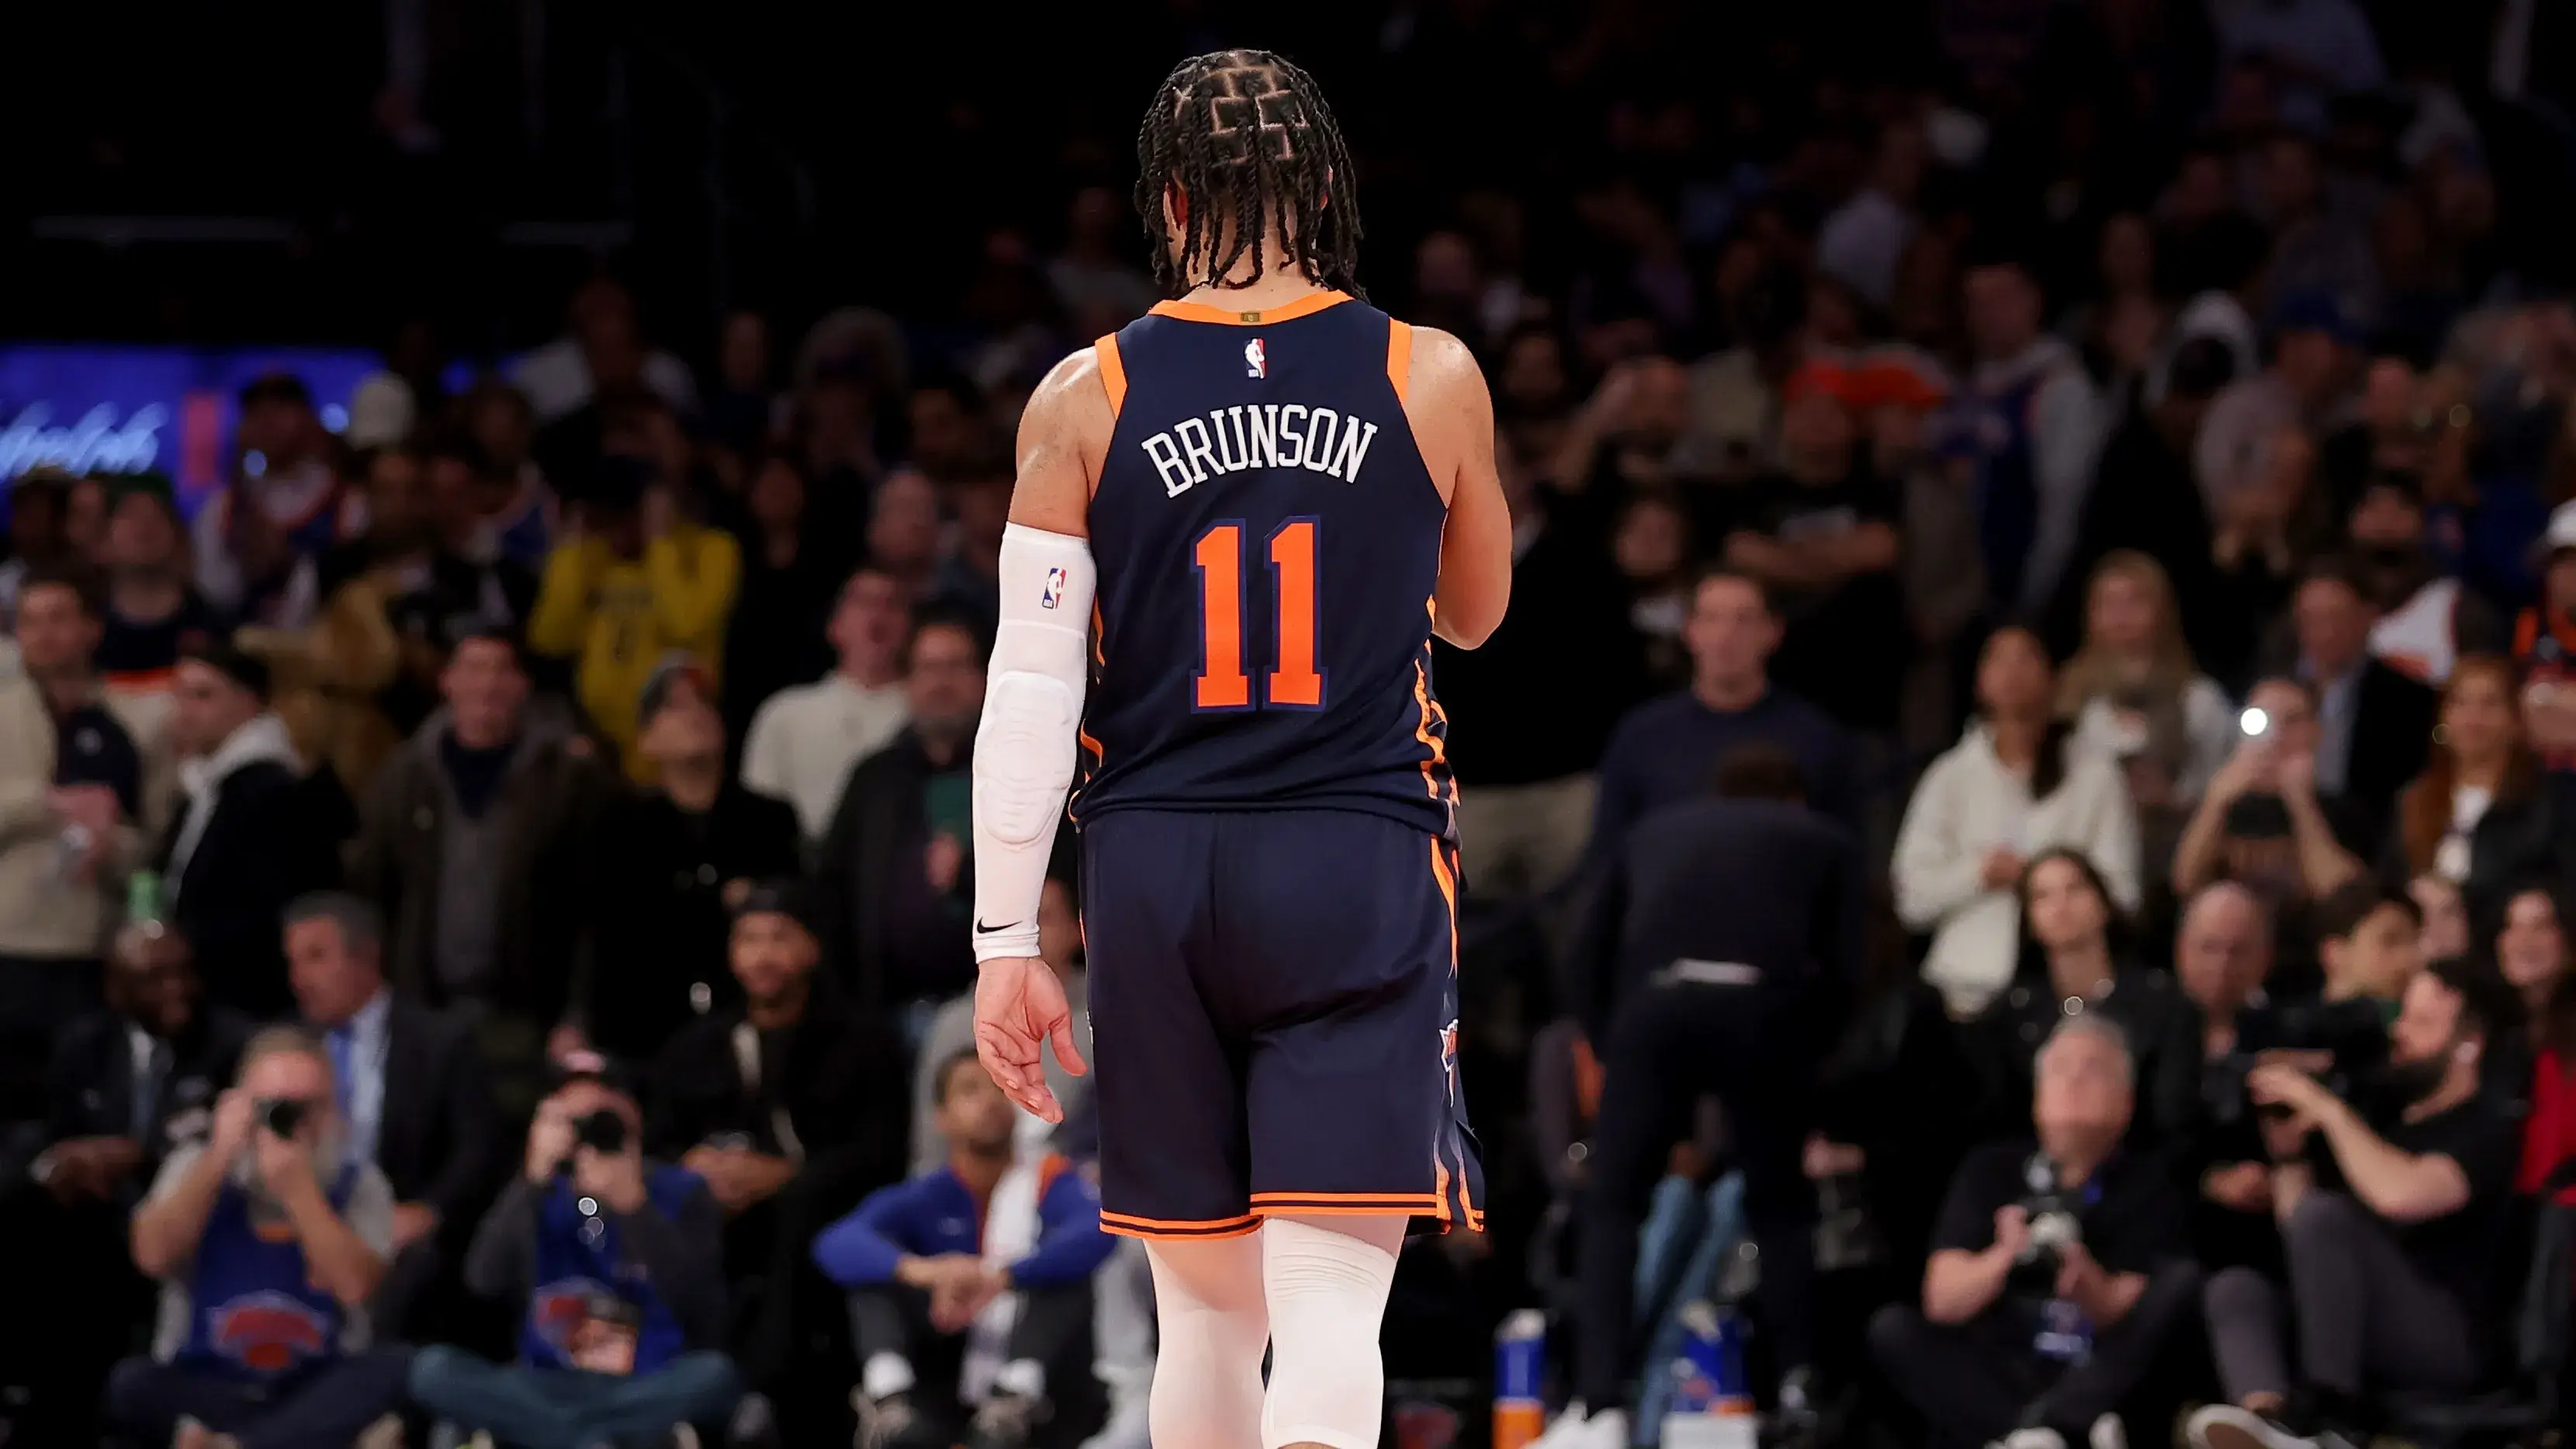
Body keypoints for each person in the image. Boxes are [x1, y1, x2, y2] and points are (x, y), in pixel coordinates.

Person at [964, 50, 1511, 1449]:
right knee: (1332, 1304)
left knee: (1204, 1315)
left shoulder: (1080, 393)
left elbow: (1027, 688)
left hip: (1156, 863)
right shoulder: (1427, 369)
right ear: (1327, 185)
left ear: (1169, 203)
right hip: (1351, 850)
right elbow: (1476, 614)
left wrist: (1005, 938)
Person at [1556, 745, 1864, 1441]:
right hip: (1762, 1008)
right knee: (1781, 1205)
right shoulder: (1824, 838)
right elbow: (1850, 969)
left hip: (1656, 1006)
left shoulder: (1652, 831)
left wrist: (1616, 1043)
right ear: (1793, 800)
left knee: (1612, 1205)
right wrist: (1805, 1051)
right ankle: (1798, 1383)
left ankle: (1598, 1399)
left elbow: (1582, 950)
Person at [2189, 961, 2522, 1449]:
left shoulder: (2488, 1127)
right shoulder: (2382, 1111)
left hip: (2444, 1336)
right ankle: (2268, 1423)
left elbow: (2402, 1195)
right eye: (2403, 1018)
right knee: (2235, 1289)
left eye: (2423, 1023)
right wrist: (2290, 1155)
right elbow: (2301, 1234)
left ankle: (2331, 1426)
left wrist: (2326, 1109)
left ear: (2469, 1044)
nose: (2402, 1034)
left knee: (2328, 1216)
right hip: (2353, 1322)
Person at [1870, 1015, 2201, 1449]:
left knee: (2183, 1282)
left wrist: (2085, 1280)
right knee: (1893, 1329)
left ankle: (2049, 1428)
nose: (2074, 1082)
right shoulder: (1990, 1170)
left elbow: (2133, 1312)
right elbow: (1942, 1299)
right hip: (2003, 1368)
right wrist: (2006, 1255)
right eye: (2060, 1069)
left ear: (2126, 1103)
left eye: (2093, 1070)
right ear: (2036, 1098)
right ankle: (2039, 1434)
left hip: (2093, 1370)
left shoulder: (2149, 1184)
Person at [646, 880, 909, 1385]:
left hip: (815, 1207)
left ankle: (769, 1383)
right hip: (713, 1209)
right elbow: (658, 1141)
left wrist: (789, 1174)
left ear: (812, 946)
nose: (763, 955)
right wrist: (694, 1165)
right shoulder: (694, 1046)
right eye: (749, 939)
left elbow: (881, 1149)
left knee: (806, 1207)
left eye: (779, 937)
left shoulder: (864, 1042)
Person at [407, 1053, 742, 1449]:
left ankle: (565, 1436)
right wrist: (529, 1181)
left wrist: (634, 1206)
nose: (584, 1133)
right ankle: (589, 1438)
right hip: (543, 1383)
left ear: (630, 1116)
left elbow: (699, 1305)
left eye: (598, 1118)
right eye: (570, 1120)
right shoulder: (536, 1193)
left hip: (644, 1384)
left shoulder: (681, 1189)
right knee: (431, 1370)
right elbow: (483, 1280)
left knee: (717, 1376)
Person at [0, 910, 247, 1444]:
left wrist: (135, 1156)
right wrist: (62, 1165)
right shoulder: (84, 1046)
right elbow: (49, 1138)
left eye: (184, 972)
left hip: (184, 1228)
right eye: (155, 978)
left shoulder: (229, 1044)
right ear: (116, 988)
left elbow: (226, 1146)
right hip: (88, 1237)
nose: (178, 989)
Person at [345, 624, 615, 1109]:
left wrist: (576, 1017)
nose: (487, 685)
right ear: (447, 681)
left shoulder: (568, 780)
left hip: (528, 1013)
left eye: (502, 671)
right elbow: (371, 896)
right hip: (424, 1010)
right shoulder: (403, 776)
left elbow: (594, 910)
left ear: (523, 686)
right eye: (473, 669)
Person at [111, 1027, 410, 1449]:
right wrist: (218, 1158)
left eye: (307, 1108)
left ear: (333, 1113)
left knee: (396, 1369)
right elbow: (151, 1256)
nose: (290, 1125)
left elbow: (356, 1287)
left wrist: (299, 1191)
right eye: (274, 1108)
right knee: (132, 1383)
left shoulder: (360, 1184)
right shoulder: (195, 1165)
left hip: (312, 1387)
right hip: (211, 1381)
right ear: (239, 1104)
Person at [815, 1051, 1117, 1449]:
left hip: (1042, 1374)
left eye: (1000, 1087)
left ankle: (1015, 1399)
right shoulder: (928, 1194)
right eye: (969, 1091)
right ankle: (888, 1401)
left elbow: (1096, 1231)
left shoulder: (1049, 1180)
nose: (990, 1101)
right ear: (941, 1117)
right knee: (873, 1272)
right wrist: (927, 1272)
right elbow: (836, 1242)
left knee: (1064, 1274)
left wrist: (1000, 1277)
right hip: (946, 1364)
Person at [282, 893, 502, 1342]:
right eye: (293, 963)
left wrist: (428, 1211)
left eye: (316, 958)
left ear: (366, 955)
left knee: (416, 1269)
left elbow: (480, 1150)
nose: (300, 979)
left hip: (403, 1229)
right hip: (306, 1222)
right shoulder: (285, 1047)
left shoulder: (441, 1042)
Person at [1895, 625, 2141, 1015]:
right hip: (1962, 989)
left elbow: (2123, 892)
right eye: (1997, 659)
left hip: (2068, 997)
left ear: (2054, 676)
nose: (2012, 671)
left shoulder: (2096, 777)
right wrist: (1980, 874)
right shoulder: (1950, 776)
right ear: (1978, 682)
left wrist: (2051, 887)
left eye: (2026, 657)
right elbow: (1912, 898)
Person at [585, 660, 800, 1062]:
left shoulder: (770, 821)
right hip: (644, 1030)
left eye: (703, 703)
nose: (695, 715)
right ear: (647, 739)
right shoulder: (619, 827)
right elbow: (605, 938)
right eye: (675, 706)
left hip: (751, 1026)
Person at [0, 564, 153, 1114]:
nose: (43, 633)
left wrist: (110, 841)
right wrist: (47, 802)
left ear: (91, 627)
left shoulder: (133, 722)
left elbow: (152, 842)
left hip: (91, 952)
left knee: (77, 1111)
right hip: (8, 948)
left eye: (59, 618)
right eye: (30, 620)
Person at [1591, 570, 1859, 851]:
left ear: (1773, 632)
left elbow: (1844, 857)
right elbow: (1608, 853)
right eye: (1712, 618)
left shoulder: (1816, 738)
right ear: (1690, 631)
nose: (1726, 634)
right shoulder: (1641, 735)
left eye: (1743, 620)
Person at [813, 608, 989, 1020]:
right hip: (883, 1014)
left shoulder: (1021, 770)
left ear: (985, 677)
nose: (941, 682)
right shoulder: (875, 778)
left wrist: (967, 874)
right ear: (908, 681)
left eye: (956, 666)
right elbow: (832, 889)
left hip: (992, 1008)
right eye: (928, 668)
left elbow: (1059, 881)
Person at [528, 455, 743, 782]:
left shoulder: (710, 549)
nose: (613, 532)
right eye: (603, 519)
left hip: (674, 742)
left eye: (621, 517)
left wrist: (660, 541)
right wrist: (571, 551)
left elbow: (686, 625)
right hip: (600, 745)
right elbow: (550, 638)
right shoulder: (592, 554)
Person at [1968, 851, 2200, 1148]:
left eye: (2075, 889)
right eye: (2042, 896)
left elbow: (2174, 1117)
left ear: (2104, 904)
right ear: (2029, 920)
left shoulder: (2162, 1004)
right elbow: (2000, 1126)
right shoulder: (2009, 1016)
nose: (2061, 906)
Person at [1722, 362, 1906, 735]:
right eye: (1804, 410)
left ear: (1854, 425)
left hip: (1865, 691)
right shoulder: (1756, 492)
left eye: (1830, 411)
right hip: (1775, 688)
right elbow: (1741, 553)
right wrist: (1837, 560)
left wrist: (1785, 562)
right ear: (1785, 422)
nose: (1816, 421)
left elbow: (1880, 549)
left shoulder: (1878, 488)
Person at [155, 643, 336, 1020]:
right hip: (202, 996)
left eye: (203, 695)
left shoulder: (273, 793)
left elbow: (273, 910)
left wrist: (185, 943)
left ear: (248, 703)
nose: (185, 710)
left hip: (248, 1003)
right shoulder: (201, 787)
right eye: (180, 694)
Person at [1950, 252, 2103, 615]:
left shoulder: (2060, 386)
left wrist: (2035, 600)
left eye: (2001, 298)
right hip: (1966, 593)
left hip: (2027, 592)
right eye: (1977, 302)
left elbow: (2063, 505)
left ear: (2033, 301)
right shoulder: (1970, 385)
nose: (1988, 314)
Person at [917, 868, 1090, 1174]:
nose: (1027, 932)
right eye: (1014, 920)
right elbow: (930, 1150)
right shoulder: (956, 1024)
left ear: (1078, 931)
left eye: (1042, 918)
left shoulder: (1106, 1017)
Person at [2172, 677, 2367, 934]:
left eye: (2292, 721)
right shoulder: (2221, 808)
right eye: (2263, 720)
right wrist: (2215, 802)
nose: (2277, 736)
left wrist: (2301, 803)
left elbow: (2346, 900)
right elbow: (2186, 883)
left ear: (2316, 731)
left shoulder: (2343, 813)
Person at [2383, 654, 2569, 916]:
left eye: (2489, 704)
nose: (2472, 719)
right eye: (2460, 703)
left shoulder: (2546, 803)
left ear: (2516, 721)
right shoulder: (2414, 799)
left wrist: (2459, 904)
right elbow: (2388, 884)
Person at [740, 566, 913, 844]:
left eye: (891, 605)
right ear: (835, 626)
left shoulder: (924, 715)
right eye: (864, 603)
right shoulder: (786, 713)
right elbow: (758, 814)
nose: (878, 616)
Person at [2279, 560, 2436, 852]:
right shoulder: (2275, 690)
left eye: (2335, 618)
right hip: (2281, 842)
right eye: (2309, 619)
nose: (2322, 633)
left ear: (2369, 616)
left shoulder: (2411, 701)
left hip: (2369, 847)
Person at [2059, 552, 2235, 812]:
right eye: (2108, 603)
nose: (2121, 615)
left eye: (2135, 601)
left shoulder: (2199, 699)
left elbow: (2222, 777)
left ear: (2162, 611)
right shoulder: (2068, 698)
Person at [95, 476, 227, 694]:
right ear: (105, 538)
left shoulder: (211, 628)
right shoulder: (87, 631)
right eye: (129, 515)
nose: (144, 525)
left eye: (158, 514)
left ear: (177, 533)